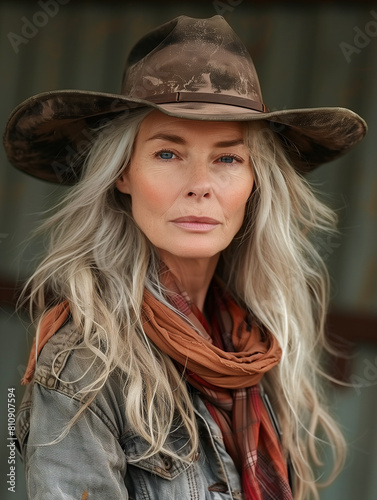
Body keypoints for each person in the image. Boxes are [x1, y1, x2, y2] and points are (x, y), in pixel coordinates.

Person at [3, 14, 367, 500]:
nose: (200, 186)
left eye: (228, 158)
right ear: (122, 174)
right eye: (168, 154)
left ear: (255, 183)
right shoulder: (83, 368)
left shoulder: (255, 345)